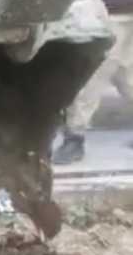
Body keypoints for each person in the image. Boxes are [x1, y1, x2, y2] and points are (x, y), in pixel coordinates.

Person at [53, 14, 133, 164]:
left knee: (92, 77)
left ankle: (74, 138)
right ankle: (74, 137)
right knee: (126, 74)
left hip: (111, 12)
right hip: (117, 10)